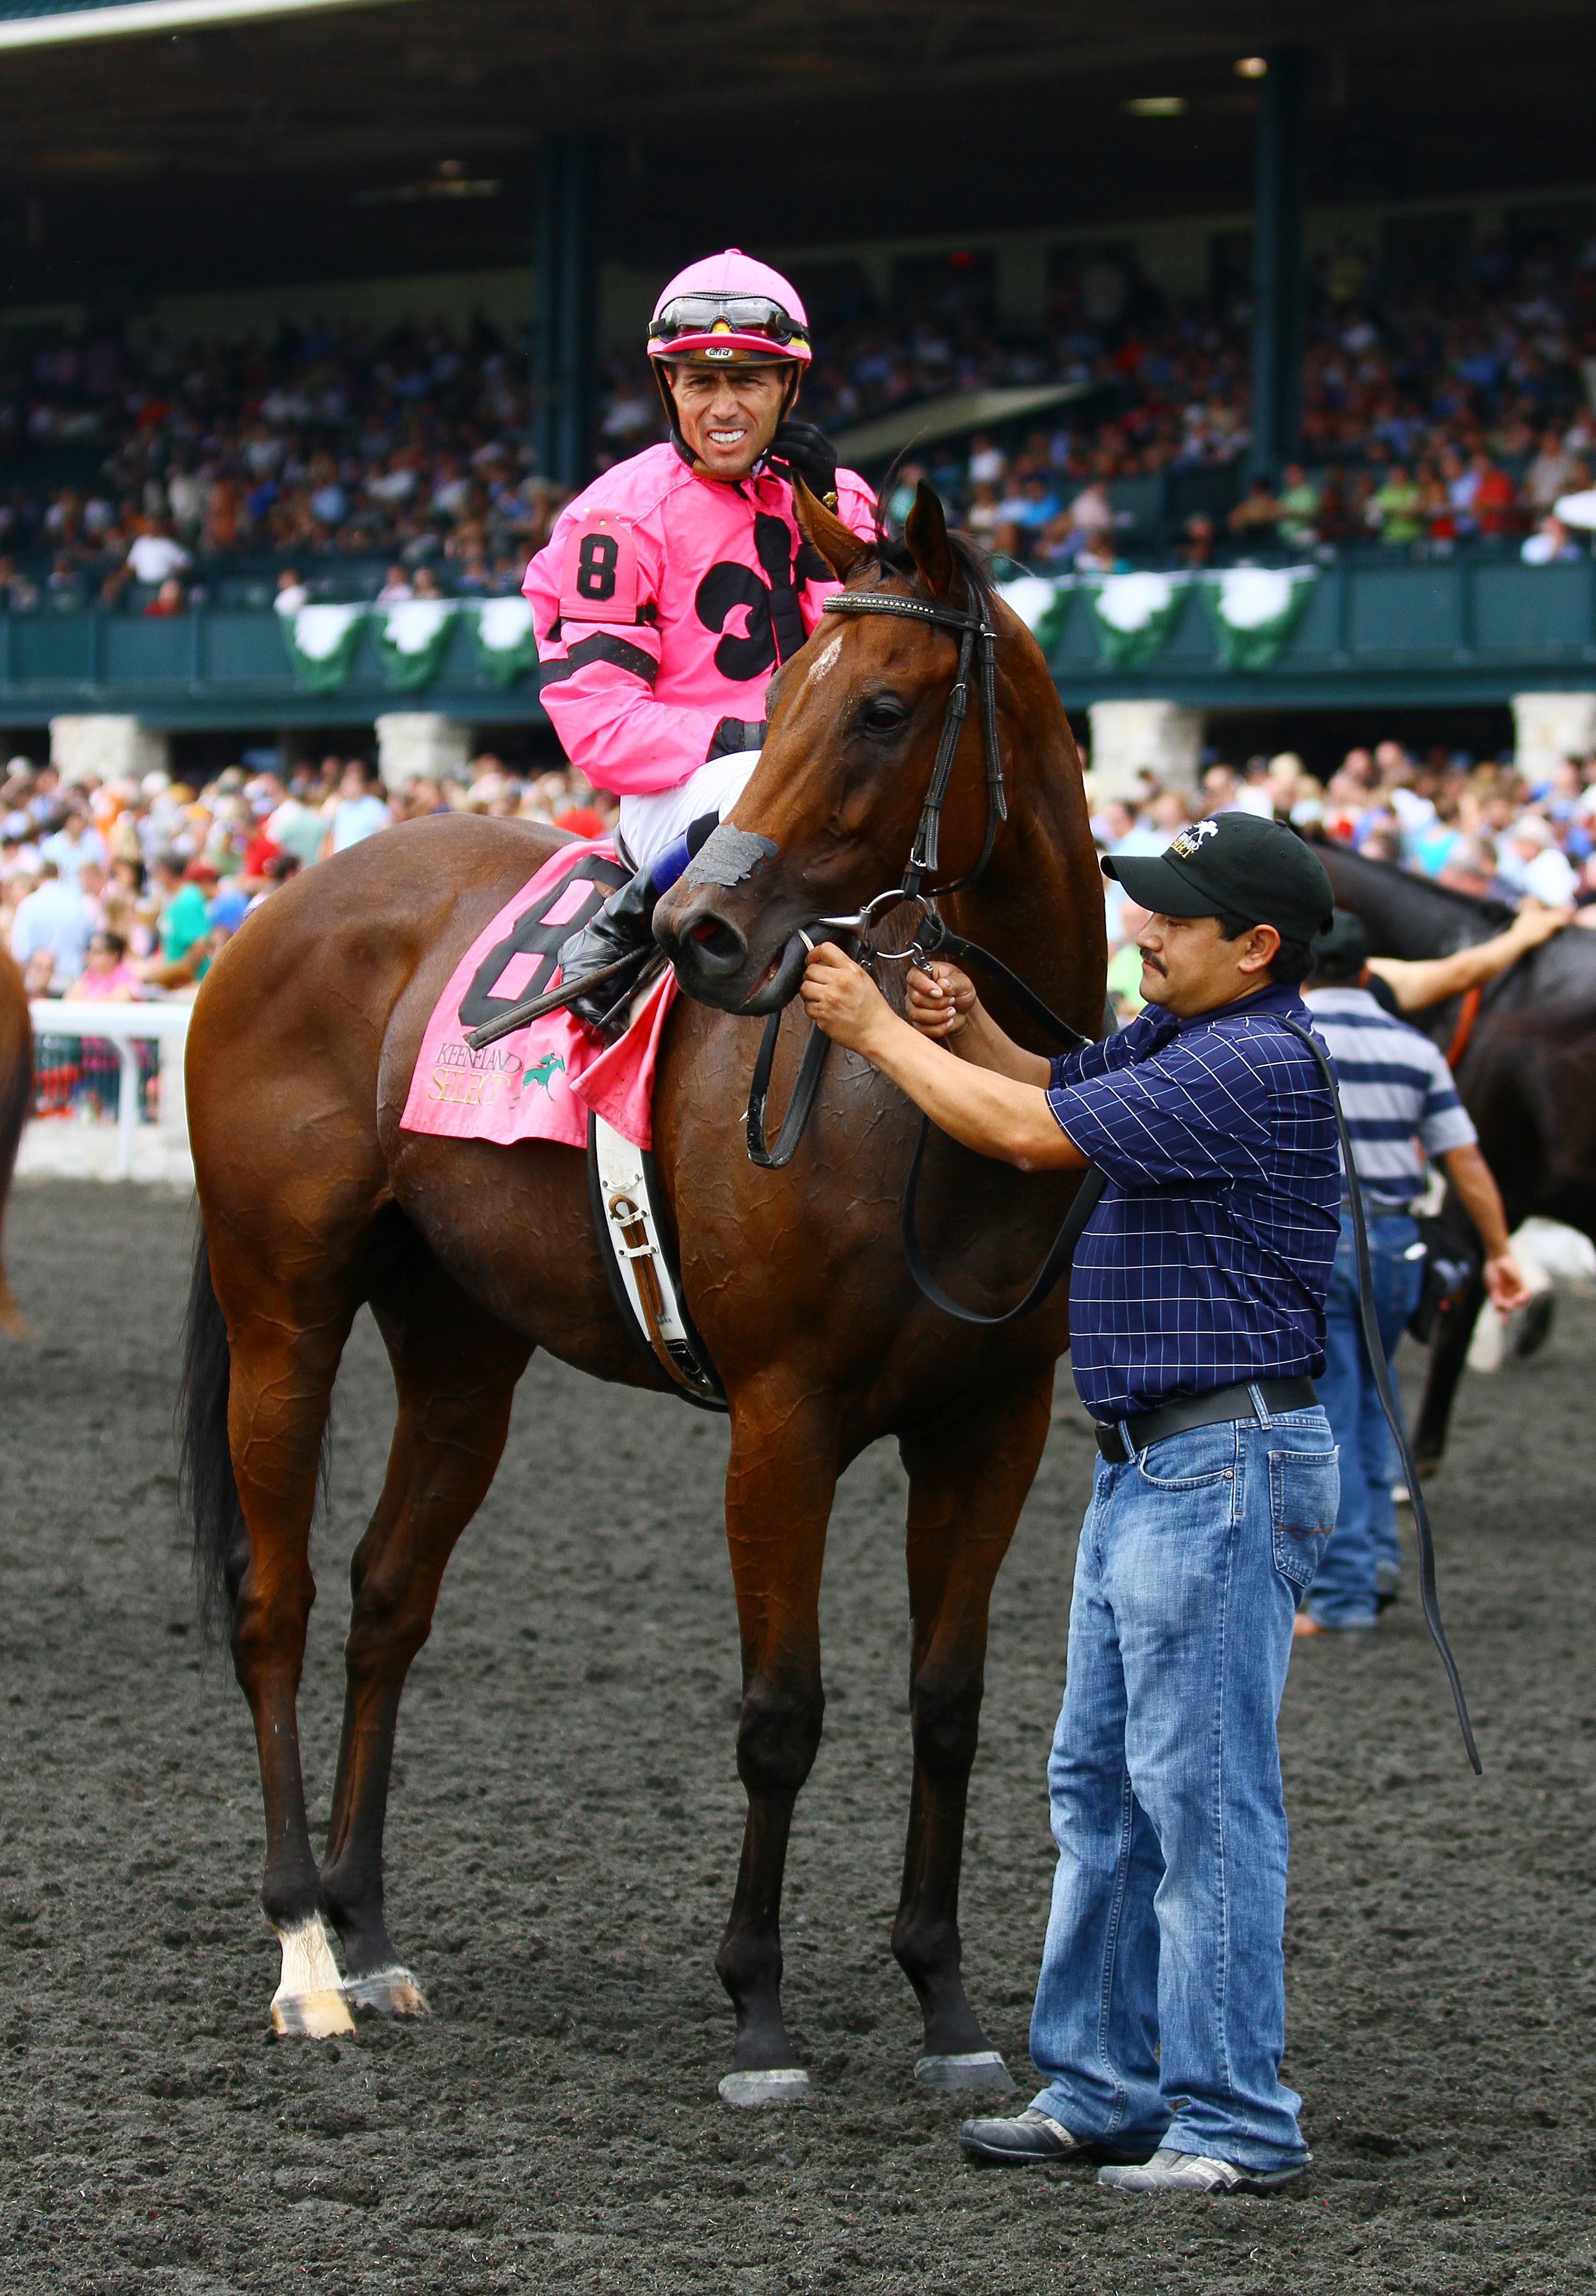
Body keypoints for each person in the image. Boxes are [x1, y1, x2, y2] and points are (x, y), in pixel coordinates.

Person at [800, 812, 1344, 2196]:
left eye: (1173, 915)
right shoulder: (1196, 1042)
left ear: (1258, 947)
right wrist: (968, 1022)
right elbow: (1046, 1082)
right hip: (1171, 1464)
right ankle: (1102, 2084)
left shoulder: (1250, 1062)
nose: (1143, 928)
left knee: (1198, 1803)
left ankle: (1230, 2118)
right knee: (1104, 1789)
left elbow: (1031, 1135)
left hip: (1213, 1470)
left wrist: (875, 1035)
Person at [523, 248, 877, 1036]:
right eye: (701, 382)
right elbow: (602, 729)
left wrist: (825, 534)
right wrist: (768, 738)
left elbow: (880, 662)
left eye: (748, 380)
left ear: (789, 387)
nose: (724, 406)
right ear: (668, 387)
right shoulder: (612, 518)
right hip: (691, 797)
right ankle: (625, 921)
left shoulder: (841, 498)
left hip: (836, 776)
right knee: (766, 779)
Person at [1297, 911, 1532, 1633]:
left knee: (1330, 1413)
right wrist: (1500, 1253)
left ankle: (1341, 1597)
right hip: (1397, 1243)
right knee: (1375, 1407)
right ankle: (1376, 1565)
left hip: (1320, 1234)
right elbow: (1465, 1162)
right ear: (1369, 973)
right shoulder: (1414, 1048)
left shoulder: (1290, 1038)